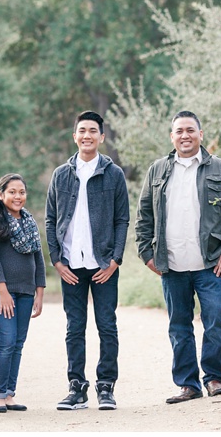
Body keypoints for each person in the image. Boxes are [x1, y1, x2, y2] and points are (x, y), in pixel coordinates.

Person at [135, 110, 221, 404]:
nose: (185, 135)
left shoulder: (220, 168)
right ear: (172, 137)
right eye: (179, 131)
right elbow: (143, 216)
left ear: (200, 134)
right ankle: (188, 385)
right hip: (171, 266)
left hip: (210, 265)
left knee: (216, 321)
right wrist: (147, 254)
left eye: (190, 130)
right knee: (179, 327)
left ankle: (214, 378)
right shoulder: (157, 170)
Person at [45, 110, 129, 411]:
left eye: (93, 130)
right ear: (75, 136)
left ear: (102, 137)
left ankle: (106, 387)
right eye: (82, 130)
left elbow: (122, 220)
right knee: (74, 327)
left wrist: (115, 260)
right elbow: (51, 218)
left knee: (107, 325)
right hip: (70, 265)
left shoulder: (113, 173)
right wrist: (57, 260)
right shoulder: (61, 174)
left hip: (103, 264)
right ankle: (76, 387)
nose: (87, 135)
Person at [0, 174, 46, 413]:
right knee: (6, 341)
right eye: (12, 192)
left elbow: (38, 258)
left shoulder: (29, 222)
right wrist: (3, 291)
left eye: (21, 192)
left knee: (18, 343)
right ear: (1, 194)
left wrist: (39, 293)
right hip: (3, 293)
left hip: (27, 292)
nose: (18, 196)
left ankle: (10, 394)